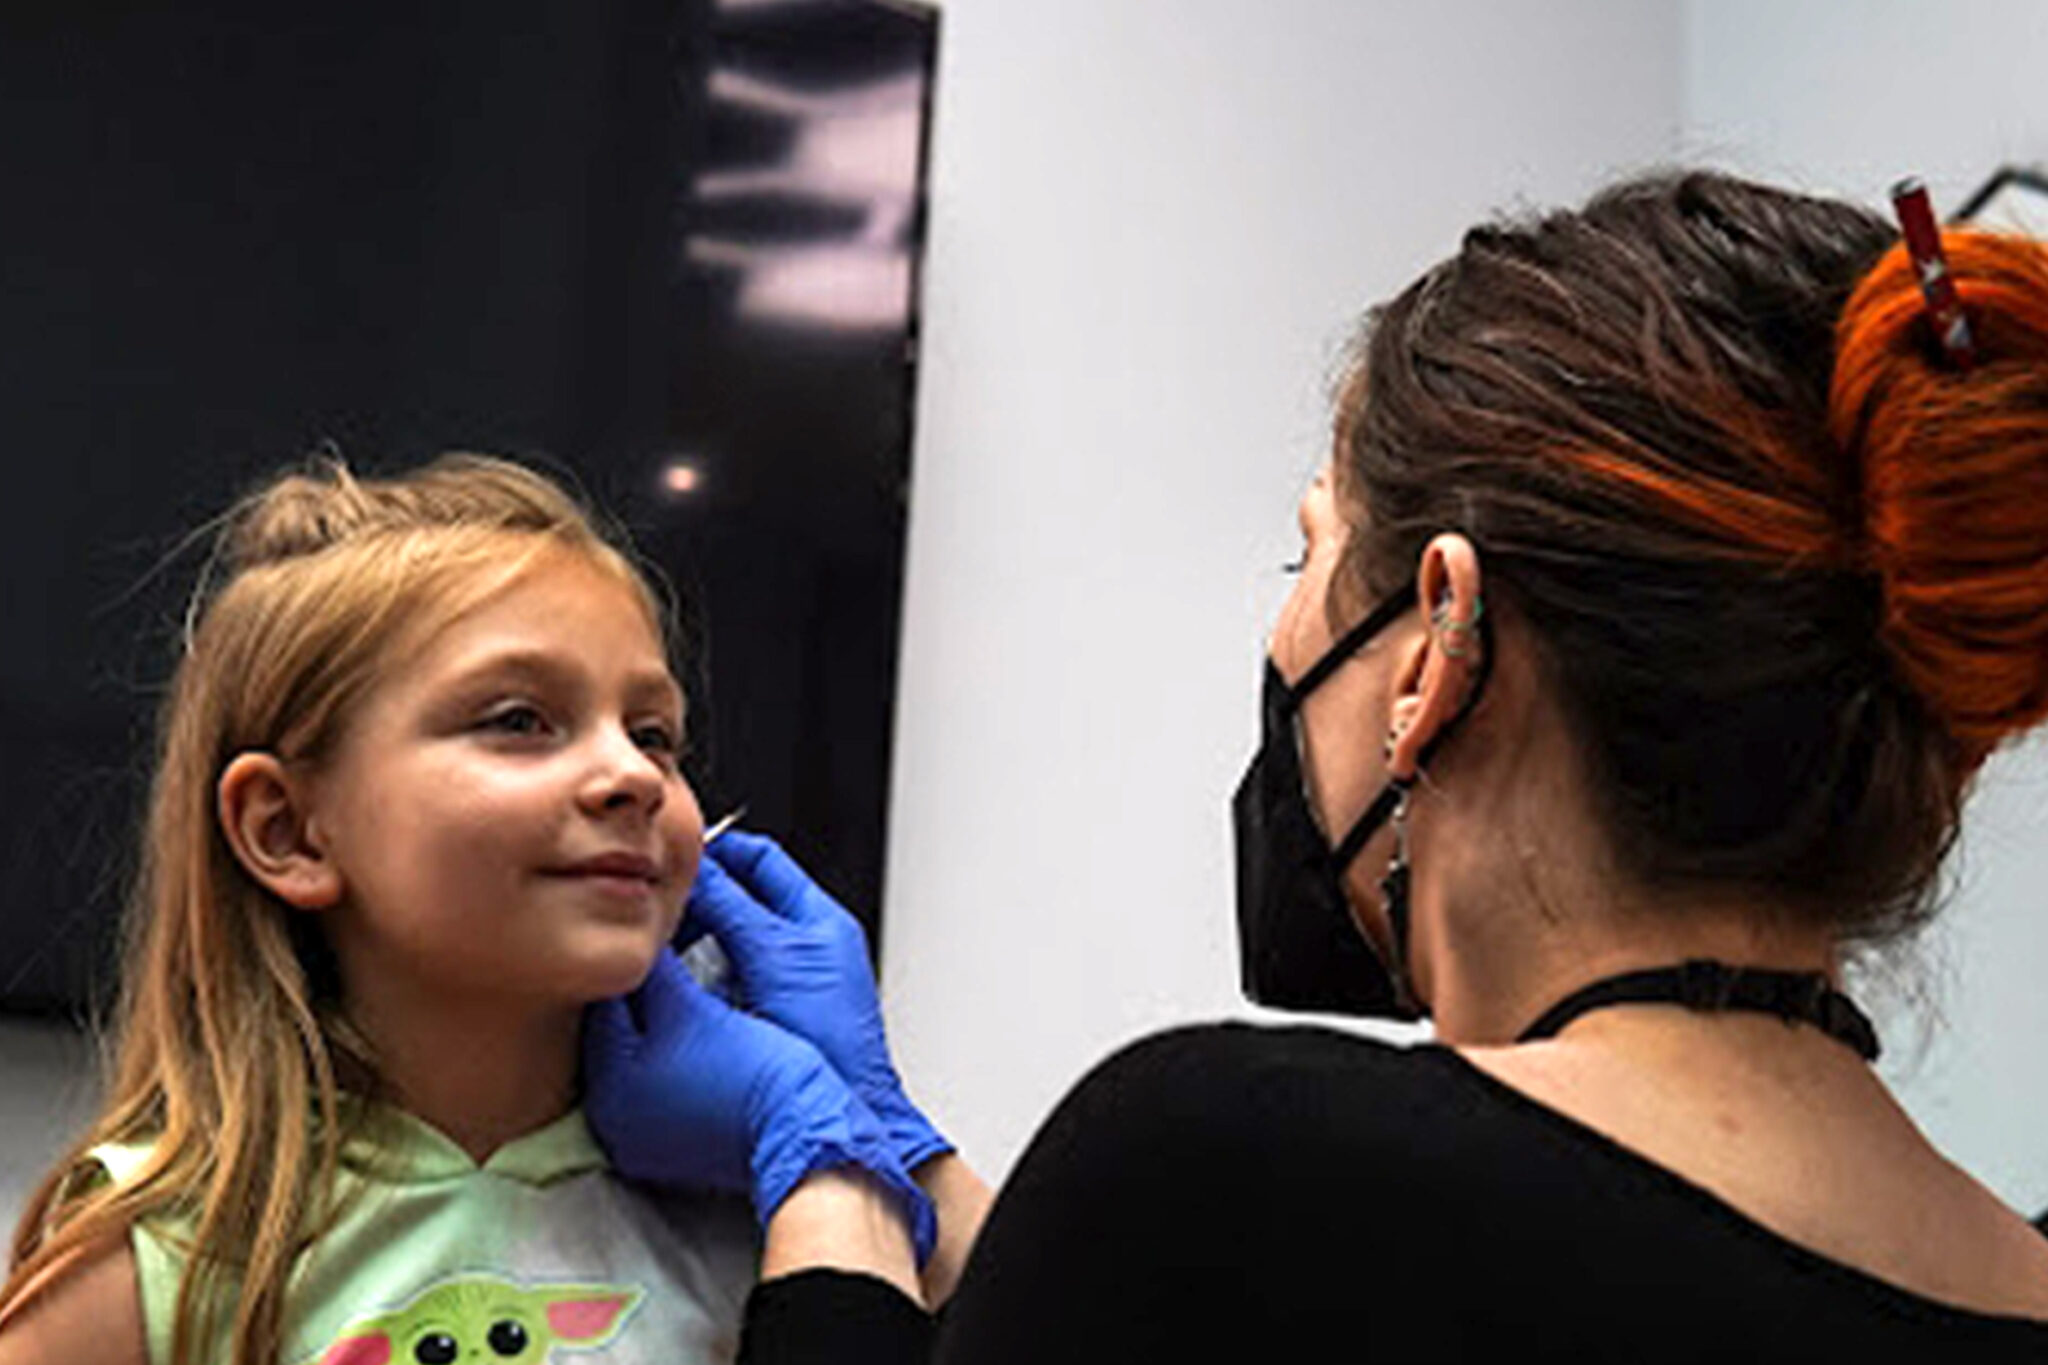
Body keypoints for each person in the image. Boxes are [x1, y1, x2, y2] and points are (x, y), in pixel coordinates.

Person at [583, 171, 2048, 1362]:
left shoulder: (1229, 1167)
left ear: (1436, 649)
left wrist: (825, 1183)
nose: (1286, 626)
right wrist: (921, 1168)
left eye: (1315, 554)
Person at [0, 456, 943, 1365]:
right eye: (520, 720)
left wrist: (883, 1143)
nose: (629, 773)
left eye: (654, 733)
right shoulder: (169, 1261)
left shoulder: (776, 1219)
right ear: (288, 829)